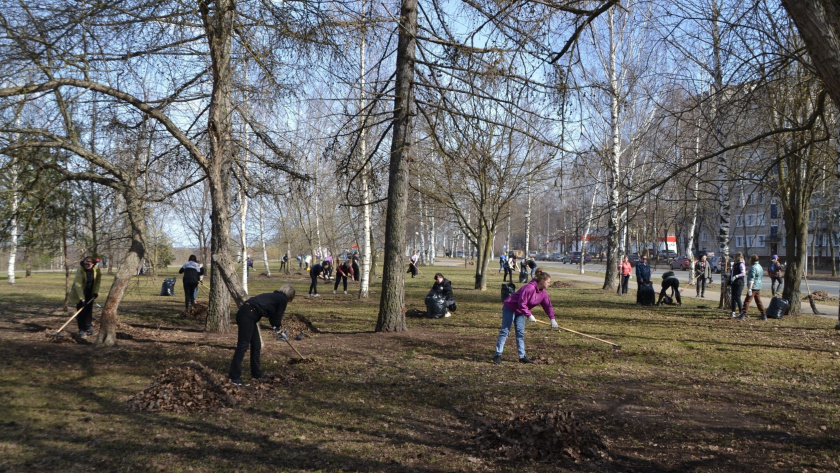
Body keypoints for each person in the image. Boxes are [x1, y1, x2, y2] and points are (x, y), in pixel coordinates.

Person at [229, 285, 295, 386]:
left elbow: (273, 318)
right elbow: (277, 317)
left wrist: (277, 329)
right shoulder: (282, 299)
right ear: (290, 296)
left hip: (247, 314)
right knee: (243, 346)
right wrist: (279, 329)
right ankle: (234, 377)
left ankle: (256, 373)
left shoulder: (274, 297)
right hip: (248, 315)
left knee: (256, 345)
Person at [493, 269, 558, 364]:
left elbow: (547, 305)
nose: (549, 284)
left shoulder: (543, 293)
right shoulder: (529, 288)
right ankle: (497, 355)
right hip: (510, 308)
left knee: (520, 333)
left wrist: (552, 319)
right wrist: (529, 315)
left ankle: (522, 356)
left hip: (521, 311)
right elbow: (521, 303)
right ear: (542, 281)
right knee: (505, 331)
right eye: (548, 282)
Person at [69, 256, 102, 338]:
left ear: (93, 264)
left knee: (88, 311)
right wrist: (82, 299)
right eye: (85, 263)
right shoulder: (80, 270)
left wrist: (95, 292)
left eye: (88, 263)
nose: (86, 265)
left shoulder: (96, 269)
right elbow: (78, 285)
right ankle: (81, 330)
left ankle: (88, 328)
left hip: (90, 293)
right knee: (80, 312)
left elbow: (98, 281)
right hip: (80, 293)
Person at [740, 254, 767, 320]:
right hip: (758, 286)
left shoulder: (753, 268)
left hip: (753, 286)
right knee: (758, 301)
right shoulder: (760, 266)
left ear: (752, 260)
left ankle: (743, 314)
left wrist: (750, 288)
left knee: (747, 301)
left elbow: (752, 279)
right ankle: (763, 315)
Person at [729, 252, 747, 318]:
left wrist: (736, 276)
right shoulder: (735, 264)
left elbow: (743, 273)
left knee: (737, 297)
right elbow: (733, 273)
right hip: (734, 282)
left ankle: (741, 312)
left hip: (739, 283)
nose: (733, 258)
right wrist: (729, 276)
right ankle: (733, 311)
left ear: (737, 257)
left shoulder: (741, 264)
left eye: (734, 257)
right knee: (733, 297)